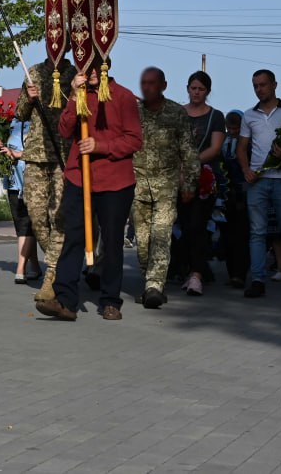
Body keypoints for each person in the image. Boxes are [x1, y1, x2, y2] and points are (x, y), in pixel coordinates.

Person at [37, 63, 144, 321]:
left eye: (96, 67)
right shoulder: (79, 94)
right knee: (72, 238)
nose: (91, 72)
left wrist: (100, 145)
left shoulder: (124, 96)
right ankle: (65, 301)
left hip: (115, 182)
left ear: (106, 65)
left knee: (112, 242)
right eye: (87, 67)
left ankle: (110, 301)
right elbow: (64, 130)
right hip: (79, 177)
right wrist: (73, 96)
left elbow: (134, 140)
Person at [131, 67, 199, 309]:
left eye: (152, 83)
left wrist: (190, 182)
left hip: (166, 187)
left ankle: (154, 287)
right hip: (137, 186)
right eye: (144, 83)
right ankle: (149, 282)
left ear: (164, 85)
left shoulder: (176, 113)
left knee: (160, 237)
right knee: (142, 241)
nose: (147, 87)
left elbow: (189, 151)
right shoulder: (134, 112)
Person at [237, 69, 281, 298]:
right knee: (257, 232)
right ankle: (258, 280)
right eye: (255, 85)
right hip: (257, 180)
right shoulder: (249, 115)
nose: (259, 89)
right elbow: (241, 148)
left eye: (263, 85)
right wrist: (246, 170)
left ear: (275, 85)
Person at [16, 57, 76, 305]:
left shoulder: (75, 74)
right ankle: (56, 265)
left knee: (58, 216)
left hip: (64, 154)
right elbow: (20, 113)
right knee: (37, 215)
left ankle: (51, 274)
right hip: (37, 154)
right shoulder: (34, 73)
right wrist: (29, 99)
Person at [179, 70, 224, 296]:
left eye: (201, 89)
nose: (196, 92)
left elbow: (215, 148)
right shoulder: (178, 112)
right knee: (184, 227)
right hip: (178, 177)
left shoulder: (216, 116)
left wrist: (191, 163)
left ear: (207, 91)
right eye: (193, 88)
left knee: (198, 225)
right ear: (187, 89)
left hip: (205, 178)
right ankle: (192, 268)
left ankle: (197, 274)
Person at [0, 127, 41, 284]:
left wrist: (19, 155)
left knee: (27, 224)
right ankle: (35, 267)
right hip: (13, 181)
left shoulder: (37, 120)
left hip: (34, 180)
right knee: (22, 225)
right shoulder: (11, 123)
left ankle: (21, 268)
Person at [219, 110, 249, 288]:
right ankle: (232, 273)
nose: (232, 132)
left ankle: (240, 274)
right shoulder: (224, 142)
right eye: (229, 128)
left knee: (242, 236)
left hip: (244, 194)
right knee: (227, 236)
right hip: (226, 194)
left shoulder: (249, 143)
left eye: (236, 128)